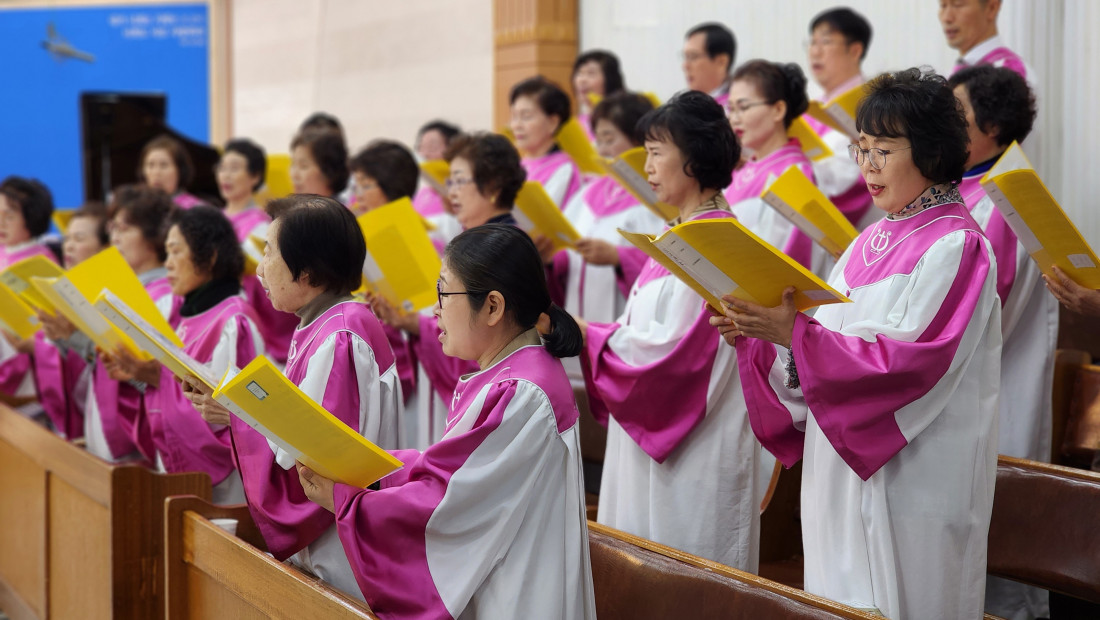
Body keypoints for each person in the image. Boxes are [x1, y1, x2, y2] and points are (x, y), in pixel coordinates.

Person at [712, 68, 1001, 619]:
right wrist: (765, 336)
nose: (866, 165)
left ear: (931, 149)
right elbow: (824, 342)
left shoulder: (957, 244)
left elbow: (907, 366)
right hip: (838, 469)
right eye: (860, 149)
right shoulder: (869, 240)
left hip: (912, 479)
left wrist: (793, 334)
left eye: (882, 150)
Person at [298, 224, 596, 619]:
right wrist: (374, 469)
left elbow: (447, 506)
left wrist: (346, 502)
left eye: (443, 293)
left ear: (492, 307)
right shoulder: (515, 373)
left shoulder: (522, 391)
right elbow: (451, 469)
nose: (434, 310)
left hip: (515, 595)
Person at [184, 195, 401, 600]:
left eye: (269, 252)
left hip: (338, 548)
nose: (259, 268)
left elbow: (316, 454)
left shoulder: (340, 336)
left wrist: (236, 415)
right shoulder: (326, 323)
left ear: (308, 271)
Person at [580, 91, 761, 569]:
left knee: (688, 580)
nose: (647, 167)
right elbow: (641, 330)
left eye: (657, 152)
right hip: (646, 440)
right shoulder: (678, 236)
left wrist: (588, 336)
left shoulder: (718, 244)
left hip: (695, 452)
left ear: (694, 159)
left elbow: (678, 357)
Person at [949, 64, 1053, 620]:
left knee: (1003, 553)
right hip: (969, 391)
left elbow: (987, 313)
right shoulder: (966, 188)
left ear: (991, 127)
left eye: (957, 114)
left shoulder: (1005, 196)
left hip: (994, 386)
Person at [370, 133, 525, 449]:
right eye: (449, 181)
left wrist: (417, 324)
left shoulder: (505, 248)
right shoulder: (473, 241)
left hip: (493, 386)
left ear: (493, 186)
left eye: (459, 181)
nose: (450, 191)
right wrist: (404, 320)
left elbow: (490, 330)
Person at [129, 206, 264, 504]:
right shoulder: (187, 315)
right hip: (181, 465)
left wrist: (158, 379)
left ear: (210, 256)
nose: (168, 264)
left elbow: (236, 414)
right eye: (166, 252)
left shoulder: (234, 320)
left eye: (176, 251)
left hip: (227, 483)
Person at [550, 92, 664, 388]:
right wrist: (553, 258)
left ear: (639, 139)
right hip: (577, 317)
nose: (601, 149)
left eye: (610, 138)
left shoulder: (654, 198)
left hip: (622, 320)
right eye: (598, 139)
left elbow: (665, 261)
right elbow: (568, 249)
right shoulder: (588, 193)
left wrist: (618, 257)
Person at [83, 186, 180, 463]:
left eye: (124, 229)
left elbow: (164, 380)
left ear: (153, 236)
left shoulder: (165, 297)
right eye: (113, 228)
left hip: (142, 436)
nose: (115, 238)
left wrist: (135, 371)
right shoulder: (122, 290)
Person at [724, 60, 825, 274]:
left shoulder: (794, 173)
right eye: (731, 109)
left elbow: (788, 256)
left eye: (743, 107)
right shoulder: (742, 170)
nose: (734, 119)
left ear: (778, 110)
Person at [25, 202, 110, 439]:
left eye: (79, 239)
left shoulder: (111, 298)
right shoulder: (71, 291)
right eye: (67, 238)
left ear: (106, 247)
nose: (68, 246)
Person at [219, 138, 296, 366]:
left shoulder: (261, 225)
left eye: (235, 168)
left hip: (251, 317)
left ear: (255, 176)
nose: (226, 175)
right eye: (222, 168)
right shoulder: (215, 218)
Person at [803, 7, 878, 229]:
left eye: (825, 42)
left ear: (855, 50)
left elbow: (854, 185)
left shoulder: (873, 106)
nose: (815, 52)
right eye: (812, 43)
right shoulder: (812, 107)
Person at [0, 177, 58, 399]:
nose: (1, 222)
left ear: (32, 218)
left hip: (22, 357)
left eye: (9, 216)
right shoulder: (3, 250)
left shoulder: (40, 262)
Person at [509, 76, 582, 208]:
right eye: (514, 116)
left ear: (553, 122)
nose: (516, 125)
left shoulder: (564, 169)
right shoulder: (517, 166)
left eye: (526, 116)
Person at [940, 0, 1028, 79]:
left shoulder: (1010, 71)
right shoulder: (952, 72)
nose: (947, 18)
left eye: (958, 4)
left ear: (992, 8)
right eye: (943, 5)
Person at [138, 135, 205, 209]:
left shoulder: (197, 209)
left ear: (180, 170)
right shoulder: (136, 207)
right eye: (150, 165)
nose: (156, 172)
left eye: (164, 165)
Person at [572, 50, 626, 141]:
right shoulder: (576, 124)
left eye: (591, 74)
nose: (582, 80)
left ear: (610, 79)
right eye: (579, 73)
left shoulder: (622, 120)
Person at [682, 22, 736, 107]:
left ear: (721, 62)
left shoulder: (735, 106)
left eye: (693, 56)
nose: (685, 66)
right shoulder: (686, 104)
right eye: (686, 57)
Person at [290, 129, 350, 199]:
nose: (294, 175)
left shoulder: (342, 205)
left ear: (329, 173)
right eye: (293, 164)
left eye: (303, 166)